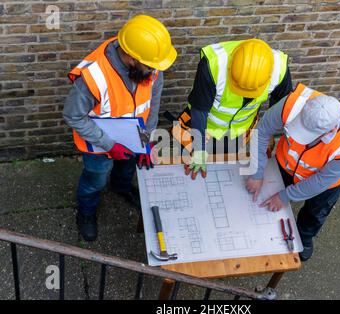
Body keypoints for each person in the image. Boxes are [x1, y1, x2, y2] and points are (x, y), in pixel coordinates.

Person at [63, 15, 177, 241]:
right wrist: (109, 145)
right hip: (99, 144)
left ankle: (121, 187)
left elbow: (152, 107)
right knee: (95, 179)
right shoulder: (93, 77)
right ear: (132, 58)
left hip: (135, 138)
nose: (156, 71)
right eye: (151, 66)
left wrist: (147, 142)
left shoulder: (151, 66)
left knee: (126, 169)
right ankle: (86, 211)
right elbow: (73, 115)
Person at [245, 83, 340, 261]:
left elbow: (321, 181)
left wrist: (285, 196)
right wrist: (257, 172)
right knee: (269, 197)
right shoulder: (293, 104)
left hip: (325, 185)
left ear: (331, 130)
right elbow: (261, 132)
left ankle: (304, 238)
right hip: (285, 164)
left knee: (315, 212)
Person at [171, 39, 293, 179]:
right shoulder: (213, 64)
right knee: (183, 172)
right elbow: (199, 110)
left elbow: (280, 106)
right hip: (200, 128)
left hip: (237, 134)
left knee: (222, 175)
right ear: (230, 68)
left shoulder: (279, 69)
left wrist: (268, 134)